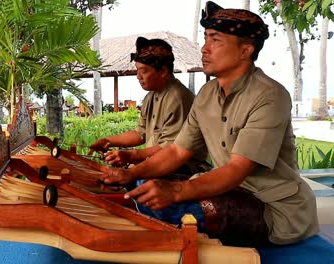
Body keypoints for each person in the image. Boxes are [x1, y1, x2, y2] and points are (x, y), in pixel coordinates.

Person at [100, 1, 319, 247]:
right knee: (144, 190)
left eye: (215, 40)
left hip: (270, 206)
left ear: (245, 50)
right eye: (206, 39)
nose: (204, 49)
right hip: (227, 190)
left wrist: (176, 191)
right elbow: (176, 151)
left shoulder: (270, 95)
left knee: (171, 210)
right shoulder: (206, 94)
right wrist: (130, 173)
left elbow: (237, 169)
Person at [90, 36, 199, 170]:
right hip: (159, 166)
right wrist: (108, 141)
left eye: (144, 71)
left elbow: (170, 150)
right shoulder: (151, 97)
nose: (138, 76)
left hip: (182, 171)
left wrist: (132, 156)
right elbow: (140, 134)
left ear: (163, 71)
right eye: (137, 70)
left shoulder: (177, 98)